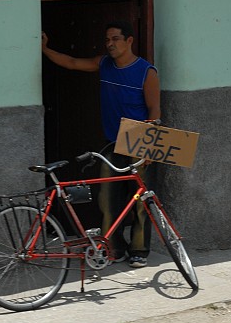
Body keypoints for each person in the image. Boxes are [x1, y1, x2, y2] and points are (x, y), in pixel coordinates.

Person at [41, 21, 161, 268]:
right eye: (107, 40)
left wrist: (150, 146)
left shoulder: (146, 72)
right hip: (112, 142)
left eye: (115, 39)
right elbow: (72, 63)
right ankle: (114, 247)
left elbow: (154, 109)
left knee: (141, 198)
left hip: (139, 140)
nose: (110, 44)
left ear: (129, 41)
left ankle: (139, 250)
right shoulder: (104, 64)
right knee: (107, 197)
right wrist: (45, 49)